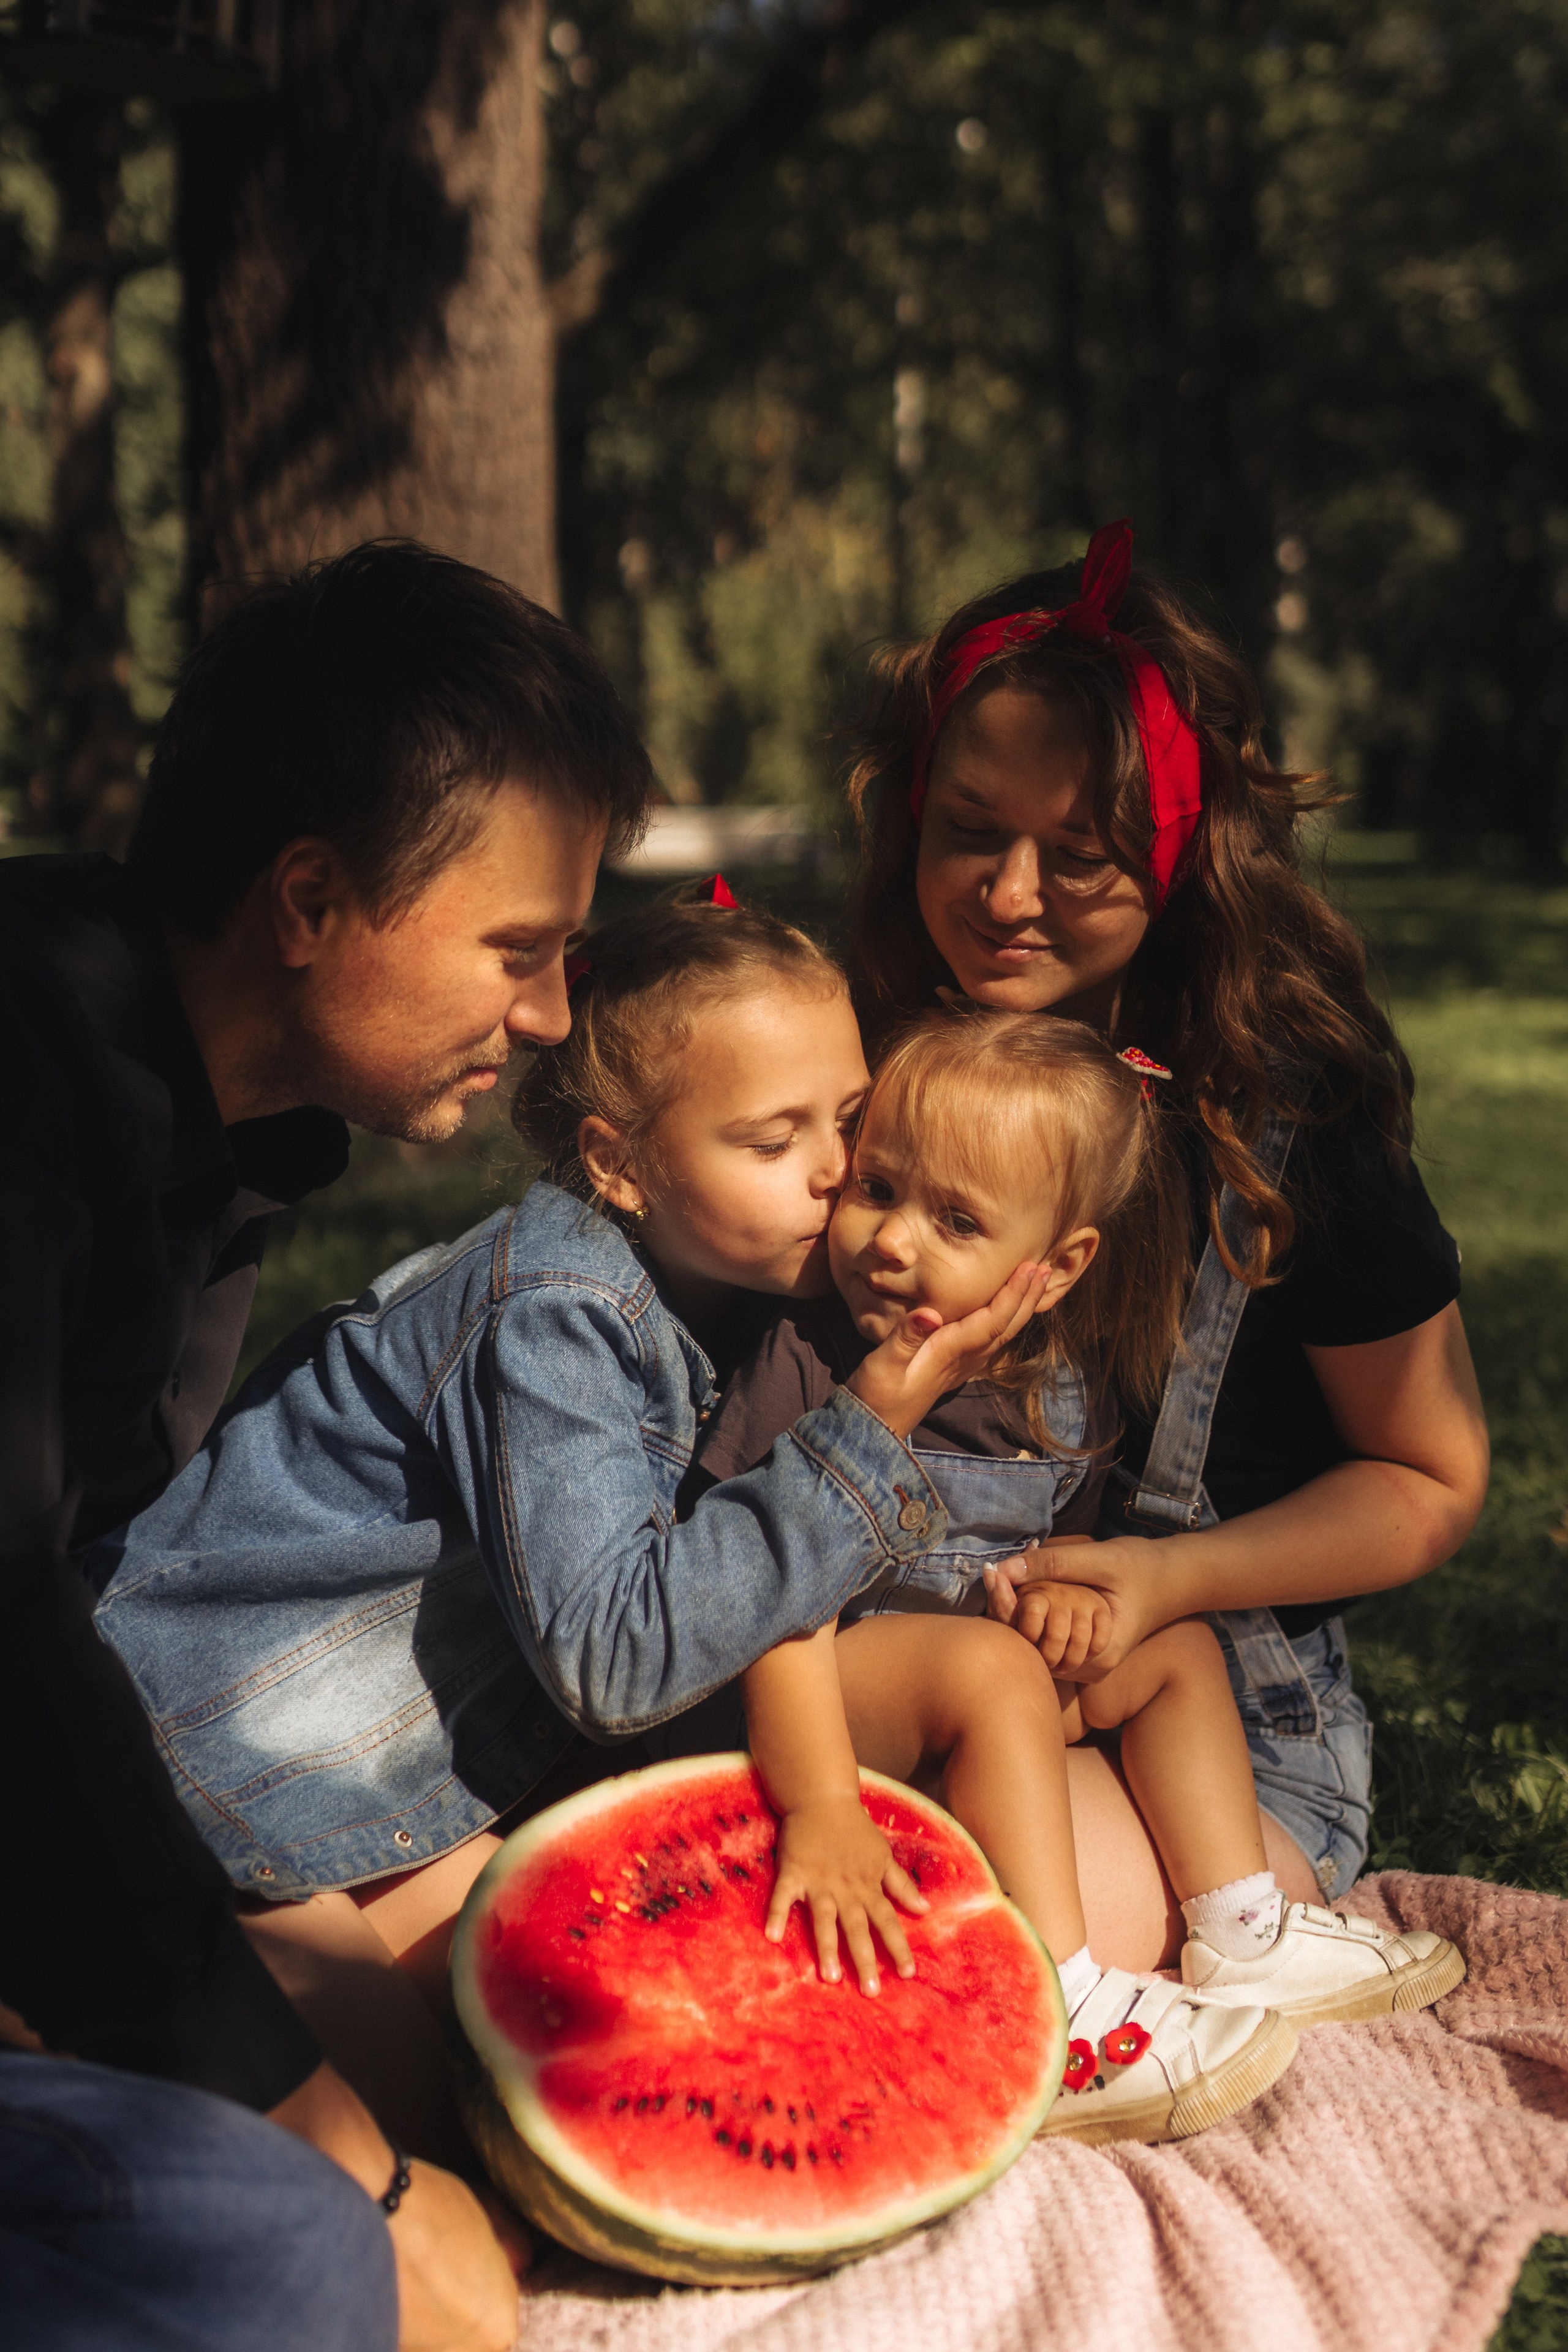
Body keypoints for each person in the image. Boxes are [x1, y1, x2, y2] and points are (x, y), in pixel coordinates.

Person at [93, 892, 1052, 2163]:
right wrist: (869, 1427)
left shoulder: (720, 1275)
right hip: (202, 1784)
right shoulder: (554, 1311)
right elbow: (615, 1656)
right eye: (773, 1140)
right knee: (429, 2133)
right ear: (616, 1162)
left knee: (560, 2068)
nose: (834, 1172)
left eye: (844, 1118)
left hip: (370, 1788)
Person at [1, 537, 652, 2351]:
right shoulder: (25, 1076)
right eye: (515, 952)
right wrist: (329, 2157)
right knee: (287, 2254)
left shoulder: (216, 1129)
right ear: (309, 897)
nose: (549, 1019)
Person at [843, 517, 1491, 1966]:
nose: (1008, 898)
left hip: (1204, 1741)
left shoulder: (1286, 1110)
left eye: (1078, 857)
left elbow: (1430, 1473)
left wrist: (1162, 1581)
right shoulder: (846, 1051)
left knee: (960, 1947)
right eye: (968, 833)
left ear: (1182, 852)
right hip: (891, 1682)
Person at [692, 1004, 1461, 2145]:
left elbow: (1055, 1543)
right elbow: (753, 1594)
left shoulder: (1058, 1379)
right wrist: (820, 1808)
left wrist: (1066, 1603)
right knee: (995, 1676)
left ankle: (1239, 1926)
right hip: (811, 1691)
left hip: (960, 1683)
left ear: (1056, 1271)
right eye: (878, 1188)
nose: (893, 1240)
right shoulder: (809, 1357)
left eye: (955, 1218)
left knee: (1162, 1638)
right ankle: (1057, 2008)